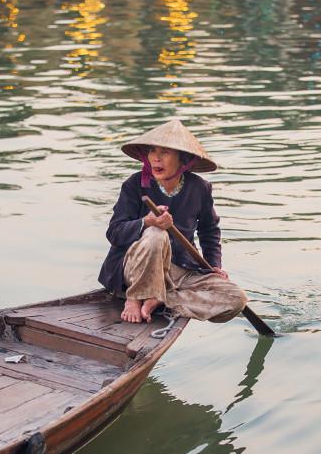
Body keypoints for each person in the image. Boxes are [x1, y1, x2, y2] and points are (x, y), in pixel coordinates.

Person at [98, 120, 248, 324]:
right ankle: (135, 297)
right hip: (134, 270)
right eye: (152, 151)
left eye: (165, 152)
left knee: (236, 299)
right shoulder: (134, 185)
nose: (156, 158)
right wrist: (146, 222)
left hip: (179, 270)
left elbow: (209, 231)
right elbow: (115, 233)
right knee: (156, 234)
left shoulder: (200, 188)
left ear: (182, 159)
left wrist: (214, 265)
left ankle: (160, 298)